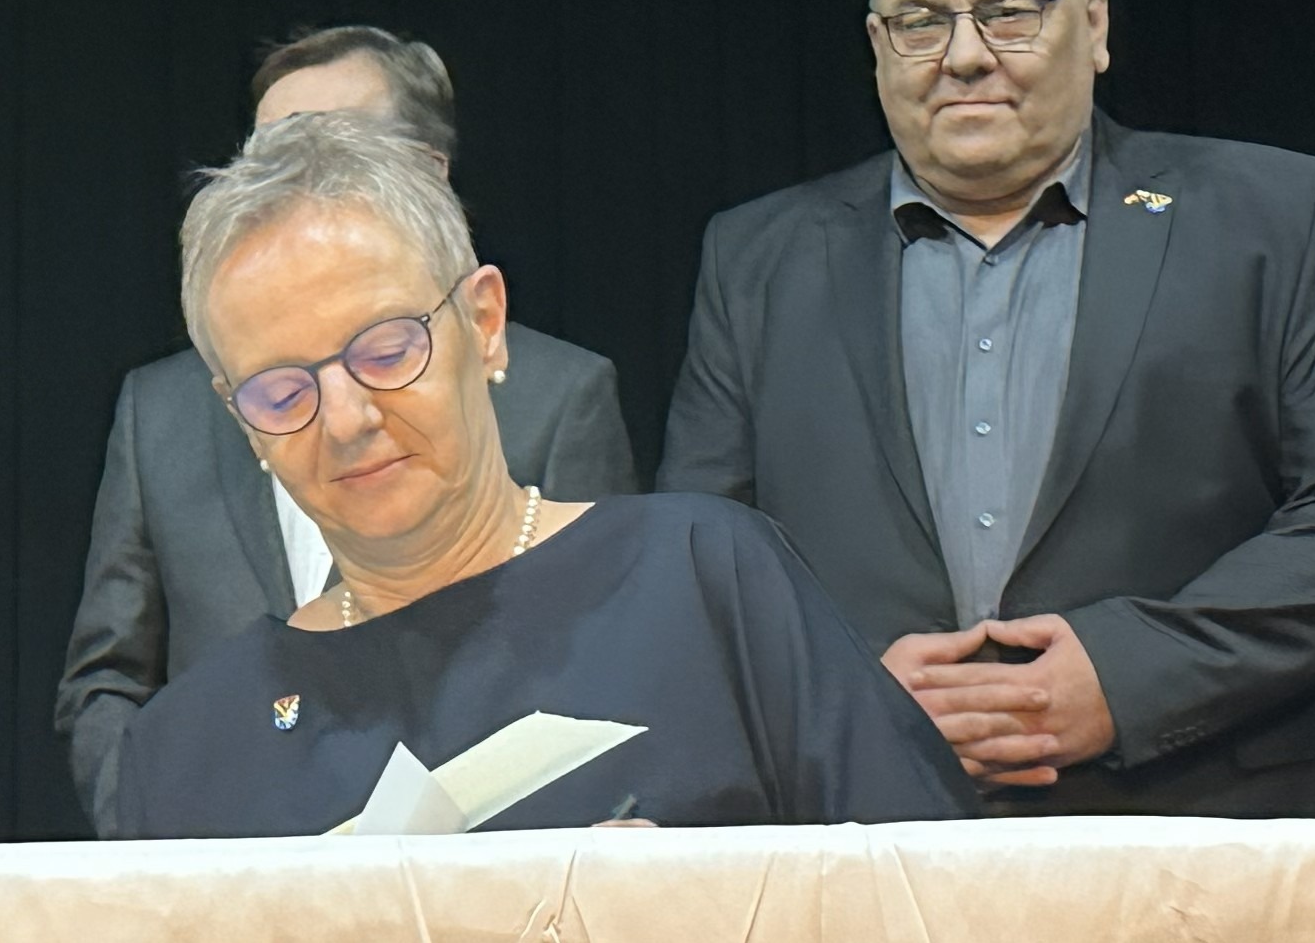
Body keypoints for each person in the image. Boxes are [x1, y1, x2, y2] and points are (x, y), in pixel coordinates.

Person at [659, 0, 1315, 813]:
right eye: (919, 22)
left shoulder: (1271, 216)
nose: (964, 56)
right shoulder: (757, 258)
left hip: (1198, 821)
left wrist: (1129, 673)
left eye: (1008, 12)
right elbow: (699, 564)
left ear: (1094, 23)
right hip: (863, 825)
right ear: (876, 47)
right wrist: (846, 694)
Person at [111, 113, 970, 839]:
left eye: (385, 350)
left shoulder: (703, 583)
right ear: (239, 419)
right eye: (281, 392)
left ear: (484, 322)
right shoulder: (189, 750)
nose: (344, 419)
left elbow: (939, 896)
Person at [57, 26, 636, 833]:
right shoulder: (160, 411)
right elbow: (109, 678)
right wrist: (170, 844)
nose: (344, 416)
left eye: (330, 151)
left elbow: (606, 652)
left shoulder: (562, 396)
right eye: (265, 161)